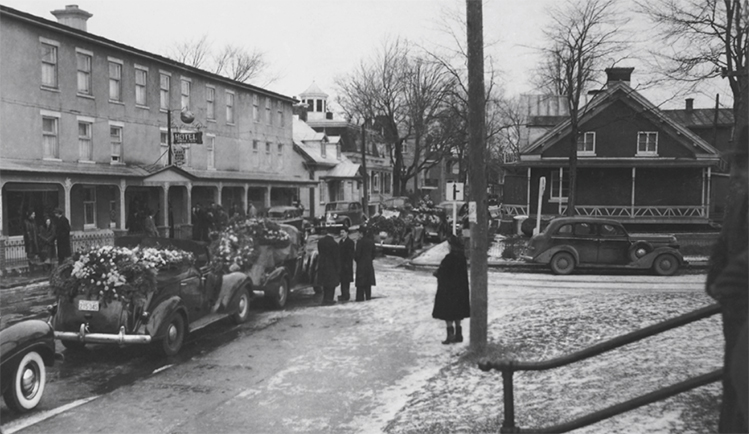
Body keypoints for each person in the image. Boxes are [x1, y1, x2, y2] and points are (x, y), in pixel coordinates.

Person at [706, 125, 748, 433]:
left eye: (743, 164)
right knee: (734, 395)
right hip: (735, 324)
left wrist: (735, 282)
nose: (735, 173)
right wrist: (716, 270)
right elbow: (725, 241)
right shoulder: (740, 202)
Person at [432, 235, 470, 344]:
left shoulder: (448, 259)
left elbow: (443, 272)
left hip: (448, 290)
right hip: (460, 290)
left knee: (448, 314)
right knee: (458, 313)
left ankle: (450, 335)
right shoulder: (462, 258)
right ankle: (459, 334)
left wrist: (436, 273)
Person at [316, 231, 340, 305]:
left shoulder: (320, 242)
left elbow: (320, 252)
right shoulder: (334, 244)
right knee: (331, 284)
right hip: (331, 265)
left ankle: (325, 299)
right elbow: (336, 257)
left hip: (322, 264)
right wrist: (338, 267)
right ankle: (329, 299)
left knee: (325, 283)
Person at [354, 228, 377, 301]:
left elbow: (357, 255)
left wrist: (357, 259)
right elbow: (374, 254)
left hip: (361, 266)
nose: (358, 235)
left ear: (361, 233)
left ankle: (360, 299)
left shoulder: (359, 242)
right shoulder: (371, 242)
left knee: (360, 286)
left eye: (358, 233)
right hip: (369, 265)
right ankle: (368, 298)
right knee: (368, 285)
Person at [338, 227, 355, 301]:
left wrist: (347, 263)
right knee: (342, 280)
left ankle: (346, 295)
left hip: (347, 264)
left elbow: (351, 254)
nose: (342, 234)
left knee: (346, 281)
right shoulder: (340, 242)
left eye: (343, 232)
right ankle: (343, 294)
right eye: (341, 232)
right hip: (341, 264)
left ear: (347, 233)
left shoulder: (350, 242)